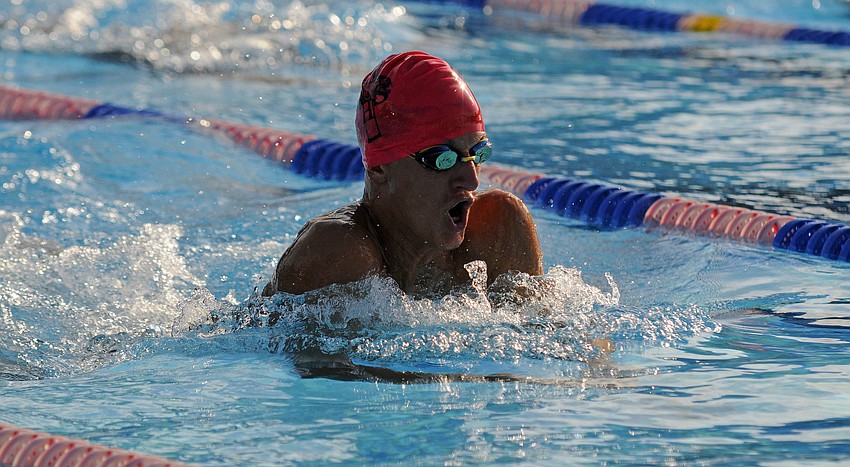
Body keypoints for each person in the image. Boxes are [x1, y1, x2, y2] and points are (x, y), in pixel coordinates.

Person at [262, 51, 543, 298]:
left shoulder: (498, 227)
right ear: (379, 168)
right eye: (441, 159)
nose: (471, 180)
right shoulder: (340, 253)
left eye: (477, 153)